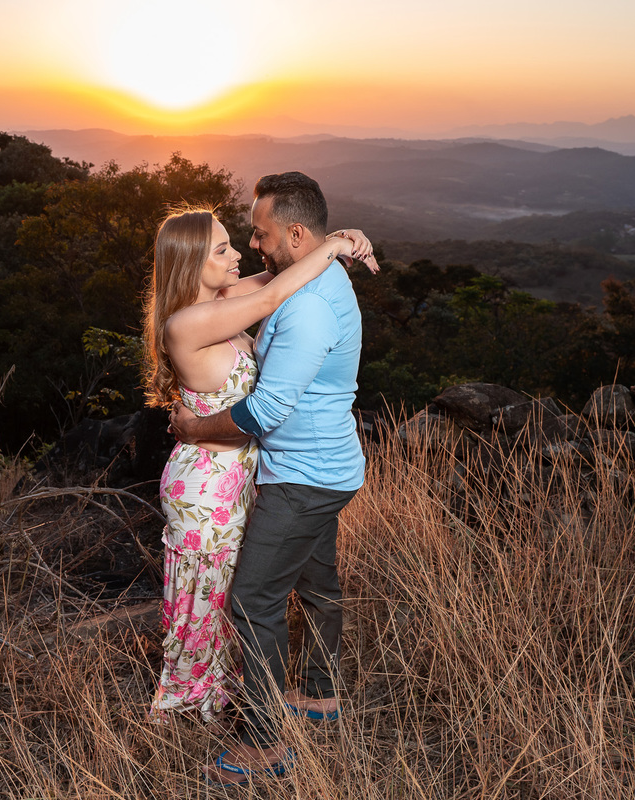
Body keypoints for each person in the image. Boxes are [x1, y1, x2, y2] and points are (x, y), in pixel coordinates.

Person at [168, 172, 369, 785]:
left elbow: (265, 412)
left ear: (296, 234)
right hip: (323, 466)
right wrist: (338, 243)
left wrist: (193, 428)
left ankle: (264, 743)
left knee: (254, 599)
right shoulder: (314, 275)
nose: (253, 244)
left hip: (304, 477)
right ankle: (322, 696)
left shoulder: (307, 306)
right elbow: (261, 292)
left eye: (259, 234)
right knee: (318, 581)